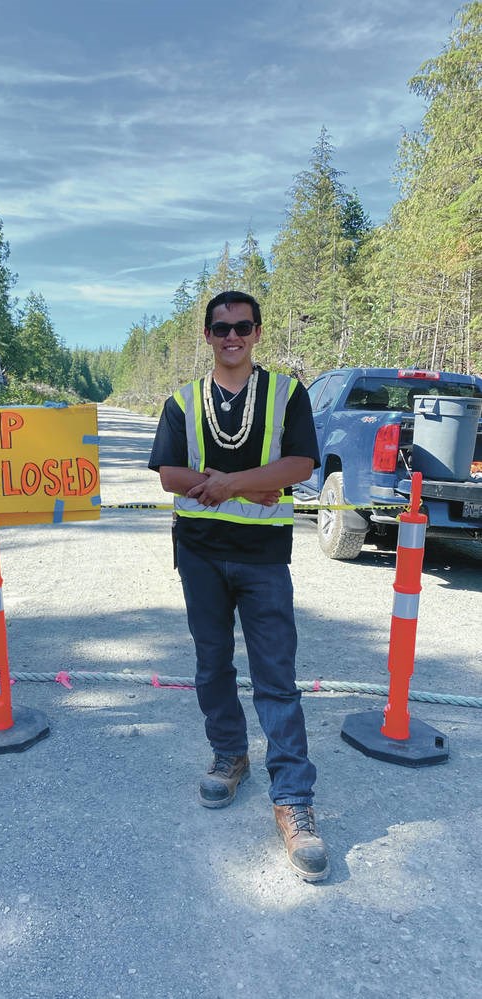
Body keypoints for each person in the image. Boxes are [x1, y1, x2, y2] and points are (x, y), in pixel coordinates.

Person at [148, 290, 329, 882]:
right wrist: (247, 485)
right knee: (212, 665)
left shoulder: (287, 394)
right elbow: (170, 475)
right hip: (200, 556)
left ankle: (294, 801)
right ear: (207, 335)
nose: (233, 336)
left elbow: (300, 466)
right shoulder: (181, 401)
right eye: (222, 328)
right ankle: (230, 756)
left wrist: (232, 484)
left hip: (264, 560)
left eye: (243, 327)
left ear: (256, 333)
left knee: (276, 677)